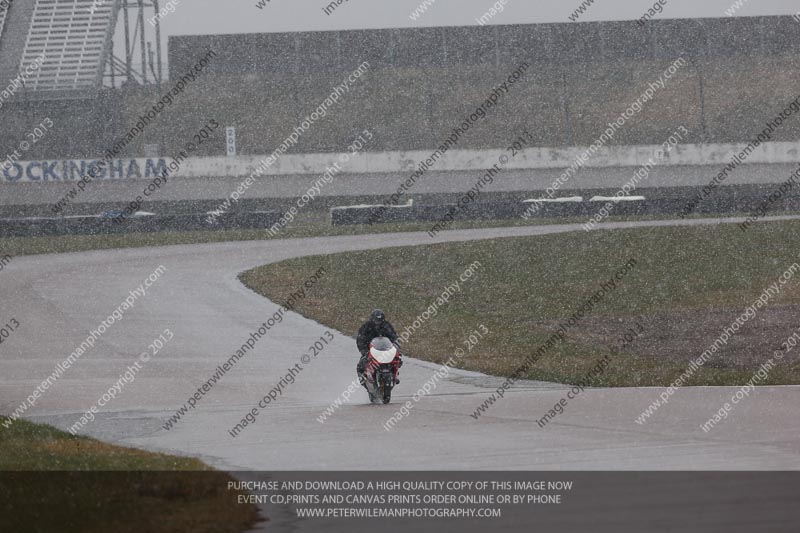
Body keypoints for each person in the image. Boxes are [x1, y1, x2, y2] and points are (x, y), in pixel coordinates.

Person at [356, 309, 400, 382]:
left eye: (379, 321)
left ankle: (394, 375)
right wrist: (363, 350)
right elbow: (360, 338)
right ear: (372, 319)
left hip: (386, 349)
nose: (378, 323)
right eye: (376, 321)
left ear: (383, 320)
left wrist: (396, 346)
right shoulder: (366, 327)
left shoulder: (387, 325)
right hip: (369, 350)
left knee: (398, 359)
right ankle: (363, 378)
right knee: (361, 364)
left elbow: (393, 336)